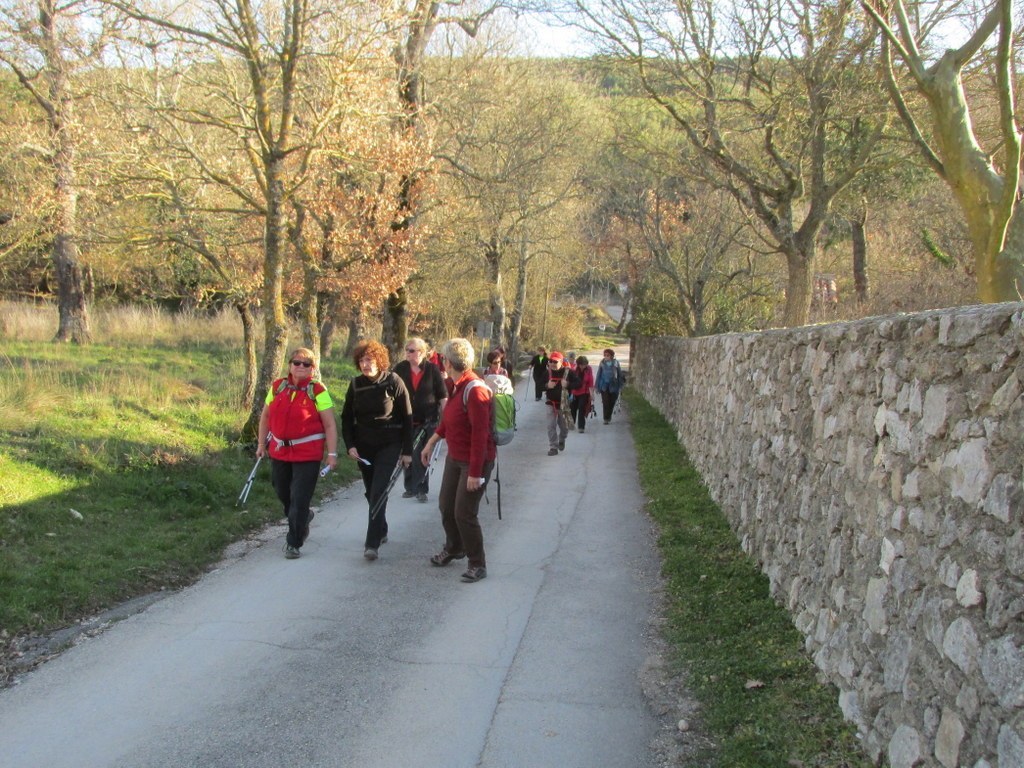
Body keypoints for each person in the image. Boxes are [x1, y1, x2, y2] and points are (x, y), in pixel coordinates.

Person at [419, 338, 495, 583]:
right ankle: (454, 548)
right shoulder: (454, 385)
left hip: (475, 461)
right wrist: (432, 442)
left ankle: (477, 563)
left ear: (447, 361)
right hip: (456, 456)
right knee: (445, 505)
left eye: (442, 358)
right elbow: (449, 420)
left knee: (464, 512)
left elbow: (480, 436)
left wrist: (475, 473)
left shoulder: (475, 390)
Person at [256, 348, 338, 559]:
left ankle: (294, 542)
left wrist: (332, 454)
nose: (300, 366)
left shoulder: (318, 390)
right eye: (296, 362)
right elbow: (265, 417)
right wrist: (261, 444)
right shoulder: (277, 386)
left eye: (306, 364)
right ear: (289, 364)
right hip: (279, 452)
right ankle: (302, 518)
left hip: (307, 455)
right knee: (283, 492)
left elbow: (329, 424)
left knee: (299, 499)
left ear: (313, 368)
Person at [340, 340, 414, 561]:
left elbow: (408, 418)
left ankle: (371, 544)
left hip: (389, 443)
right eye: (362, 360)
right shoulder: (355, 385)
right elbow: (346, 418)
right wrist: (350, 445)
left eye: (370, 360)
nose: (365, 364)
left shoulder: (393, 381)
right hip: (364, 446)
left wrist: (407, 451)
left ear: (379, 360)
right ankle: (381, 528)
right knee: (371, 491)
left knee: (379, 490)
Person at [392, 337, 448, 503]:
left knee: (422, 453)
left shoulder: (432, 370)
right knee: (407, 452)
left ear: (422, 353)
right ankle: (410, 487)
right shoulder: (400, 369)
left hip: (428, 420)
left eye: (411, 350)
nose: (407, 354)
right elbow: (390, 392)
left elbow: (442, 395)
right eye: (407, 350)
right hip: (405, 420)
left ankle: (421, 489)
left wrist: (446, 419)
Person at [543, 351, 570, 456]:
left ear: (561, 362)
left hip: (564, 404)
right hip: (550, 403)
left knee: (564, 427)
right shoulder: (547, 373)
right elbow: (539, 385)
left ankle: (562, 438)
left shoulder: (568, 373)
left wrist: (568, 384)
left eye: (555, 361)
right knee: (550, 425)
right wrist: (547, 385)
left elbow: (578, 384)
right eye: (551, 361)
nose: (552, 363)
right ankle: (553, 447)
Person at [595, 348, 624, 424]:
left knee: (612, 402)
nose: (606, 357)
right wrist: (597, 386)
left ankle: (609, 416)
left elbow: (620, 374)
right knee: (605, 402)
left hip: (614, 386)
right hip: (604, 386)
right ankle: (606, 418)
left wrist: (621, 384)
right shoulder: (602, 363)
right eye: (605, 355)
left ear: (611, 356)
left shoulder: (615, 363)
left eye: (608, 355)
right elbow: (598, 374)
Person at [567, 355, 595, 433]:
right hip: (574, 392)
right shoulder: (574, 369)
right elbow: (570, 381)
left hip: (584, 392)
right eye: (581, 364)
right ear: (578, 364)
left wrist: (592, 394)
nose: (583, 366)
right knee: (573, 409)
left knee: (582, 408)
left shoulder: (589, 369)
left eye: (585, 364)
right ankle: (572, 424)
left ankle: (581, 427)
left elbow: (591, 381)